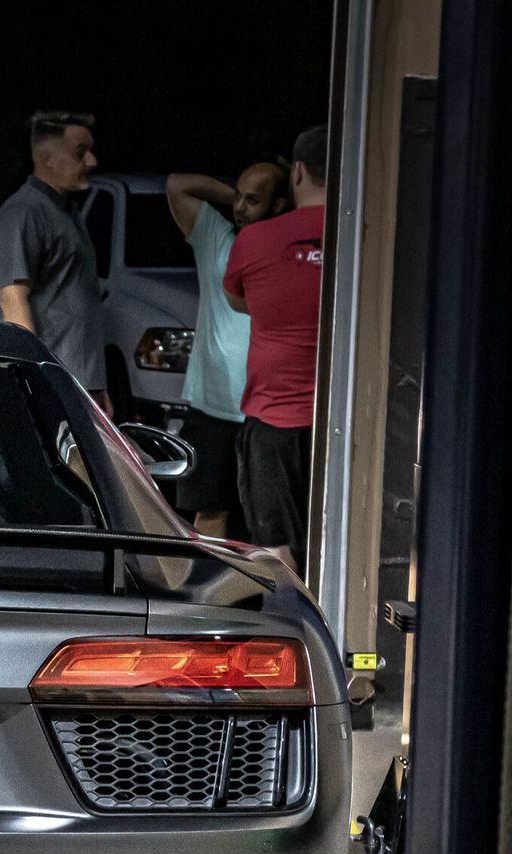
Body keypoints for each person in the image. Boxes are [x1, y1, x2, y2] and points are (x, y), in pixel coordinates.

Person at [165, 163, 290, 538]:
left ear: (280, 205)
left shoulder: (290, 247)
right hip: (213, 407)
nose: (240, 207)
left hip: (268, 411)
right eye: (238, 197)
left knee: (267, 525)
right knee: (210, 516)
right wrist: (237, 196)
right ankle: (208, 595)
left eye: (253, 200)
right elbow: (176, 182)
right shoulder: (217, 238)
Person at [223, 125, 327, 575]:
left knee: (277, 555)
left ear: (297, 172)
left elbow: (238, 300)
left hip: (274, 421)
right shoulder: (368, 240)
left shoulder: (254, 241)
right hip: (344, 424)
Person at [0, 110, 109, 415]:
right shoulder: (24, 212)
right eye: (80, 153)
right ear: (47, 159)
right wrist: (32, 379)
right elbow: (12, 298)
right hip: (51, 382)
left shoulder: (65, 211)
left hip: (77, 380)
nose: (92, 161)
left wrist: (97, 385)